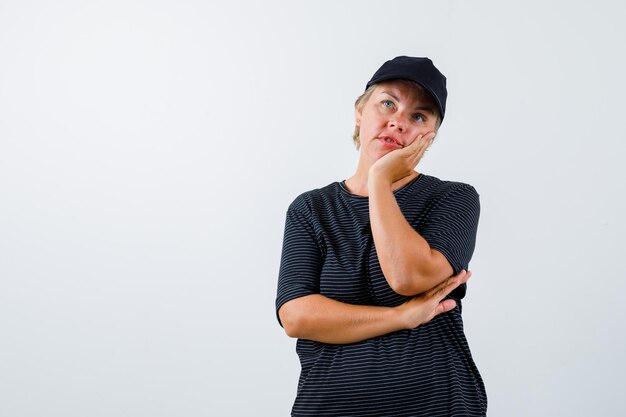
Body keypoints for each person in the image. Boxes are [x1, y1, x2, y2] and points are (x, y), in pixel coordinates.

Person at [275, 56, 487, 416]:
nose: (398, 122)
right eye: (388, 103)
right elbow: (296, 317)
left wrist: (379, 180)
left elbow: (407, 277)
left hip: (437, 406)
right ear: (360, 111)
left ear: (430, 137)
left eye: (418, 116)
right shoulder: (311, 209)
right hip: (328, 407)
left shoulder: (453, 198)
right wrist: (400, 317)